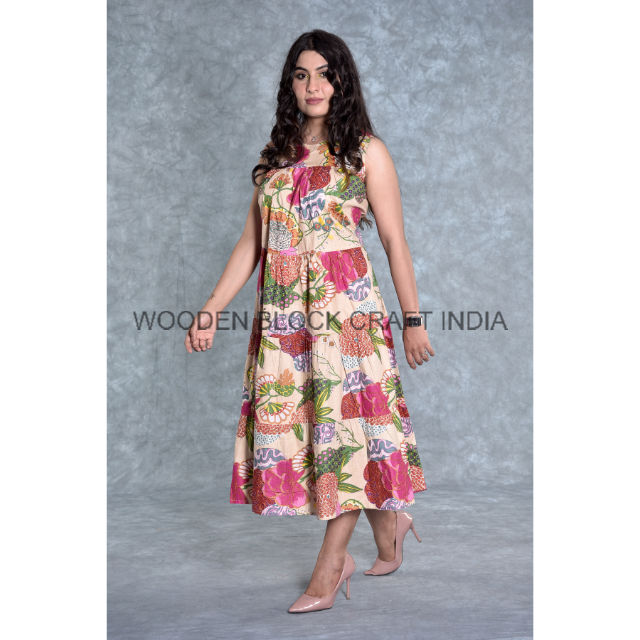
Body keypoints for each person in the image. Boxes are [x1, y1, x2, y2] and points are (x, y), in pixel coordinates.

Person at [185, 29, 434, 613]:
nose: (313, 85)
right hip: (284, 321)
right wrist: (210, 308)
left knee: (343, 431)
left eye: (324, 73)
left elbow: (395, 242)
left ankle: (330, 566)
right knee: (319, 429)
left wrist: (412, 320)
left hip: (347, 317)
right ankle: (390, 527)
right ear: (290, 87)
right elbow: (251, 245)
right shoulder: (276, 157)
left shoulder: (366, 152)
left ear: (342, 82)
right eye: (301, 75)